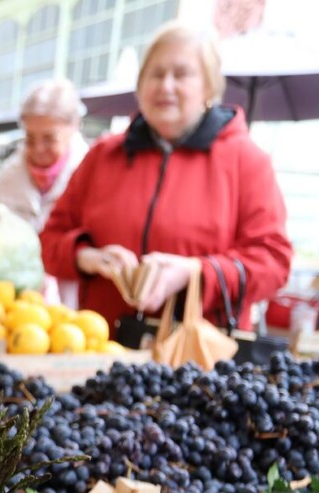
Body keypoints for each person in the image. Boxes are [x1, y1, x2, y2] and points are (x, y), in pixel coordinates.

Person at [40, 21, 292, 332]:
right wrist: (87, 257)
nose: (165, 86)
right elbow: (50, 240)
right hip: (102, 348)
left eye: (182, 74)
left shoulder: (248, 162)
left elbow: (274, 264)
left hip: (199, 360)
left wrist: (195, 272)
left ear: (209, 87)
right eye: (155, 74)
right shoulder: (103, 156)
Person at [0, 79, 89, 230]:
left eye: (49, 139)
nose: (38, 149)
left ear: (73, 128)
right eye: (30, 139)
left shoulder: (92, 181)